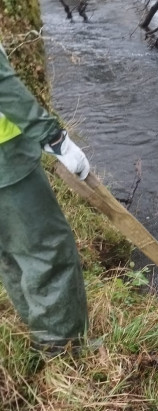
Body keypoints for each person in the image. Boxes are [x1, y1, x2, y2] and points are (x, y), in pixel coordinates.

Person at [0, 44, 91, 353]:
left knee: (12, 251)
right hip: (5, 164)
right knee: (46, 250)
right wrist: (55, 139)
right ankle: (62, 348)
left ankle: (42, 329)